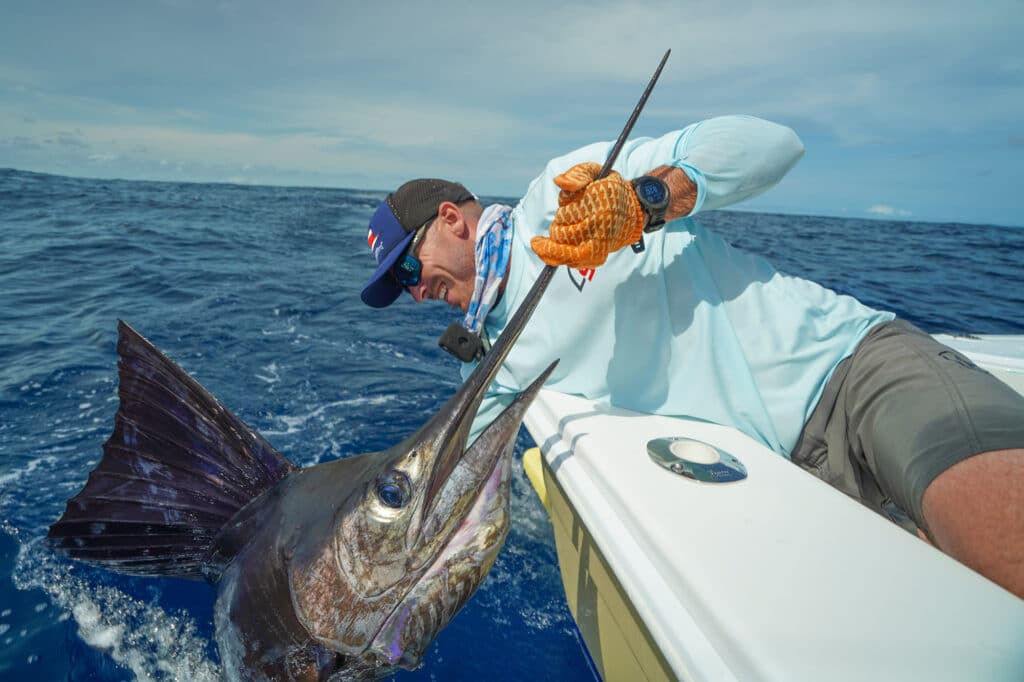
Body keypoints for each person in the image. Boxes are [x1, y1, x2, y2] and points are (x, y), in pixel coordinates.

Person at [359, 115, 1024, 599]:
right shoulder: (495, 363)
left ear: (452, 218)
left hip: (850, 371)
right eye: (401, 289)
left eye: (409, 268)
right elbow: (444, 484)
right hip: (776, 480)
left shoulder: (561, 195)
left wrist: (645, 201)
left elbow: (774, 145)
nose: (416, 293)